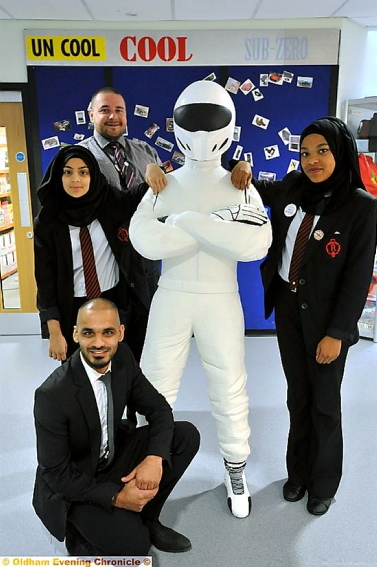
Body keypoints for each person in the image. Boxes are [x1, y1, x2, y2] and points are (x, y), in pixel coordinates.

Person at [129, 80, 272, 519]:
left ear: (228, 128)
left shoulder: (240, 184)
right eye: (194, 123)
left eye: (212, 124)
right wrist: (214, 225)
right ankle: (144, 465)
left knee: (229, 385)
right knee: (154, 385)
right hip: (171, 296)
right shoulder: (162, 183)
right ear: (177, 126)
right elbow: (142, 239)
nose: (203, 134)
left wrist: (186, 220)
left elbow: (256, 244)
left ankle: (236, 468)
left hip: (219, 299)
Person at [236, 116, 377, 516]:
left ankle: (323, 484)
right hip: (288, 309)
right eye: (304, 152)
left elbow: (357, 278)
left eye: (322, 151)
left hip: (327, 321)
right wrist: (241, 166)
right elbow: (251, 184)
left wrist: (337, 333)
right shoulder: (294, 187)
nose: (312, 160)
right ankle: (296, 475)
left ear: (341, 151)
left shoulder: (360, 207)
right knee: (298, 397)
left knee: (325, 403)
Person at [33, 298, 200, 556]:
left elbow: (159, 409)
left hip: (110, 456)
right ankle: (78, 530)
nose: (99, 343)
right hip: (75, 482)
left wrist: (154, 459)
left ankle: (148, 517)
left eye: (107, 332)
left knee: (185, 436)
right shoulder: (51, 395)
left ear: (120, 333)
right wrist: (118, 497)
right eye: (89, 333)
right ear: (76, 334)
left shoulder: (122, 357)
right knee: (136, 546)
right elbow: (56, 474)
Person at [33, 145, 154, 363]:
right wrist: (54, 332)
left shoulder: (109, 203)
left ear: (93, 175)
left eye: (83, 172)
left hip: (116, 302)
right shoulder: (47, 223)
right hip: (74, 309)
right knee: (81, 379)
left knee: (123, 372)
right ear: (58, 176)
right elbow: (45, 280)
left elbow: (142, 193)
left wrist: (154, 169)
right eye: (67, 172)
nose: (75, 179)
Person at [78, 86, 167, 297]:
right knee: (107, 320)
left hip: (146, 255)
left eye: (119, 110)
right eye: (104, 110)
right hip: (104, 256)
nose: (113, 116)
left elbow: (164, 200)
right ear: (91, 114)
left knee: (146, 317)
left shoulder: (147, 152)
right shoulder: (77, 157)